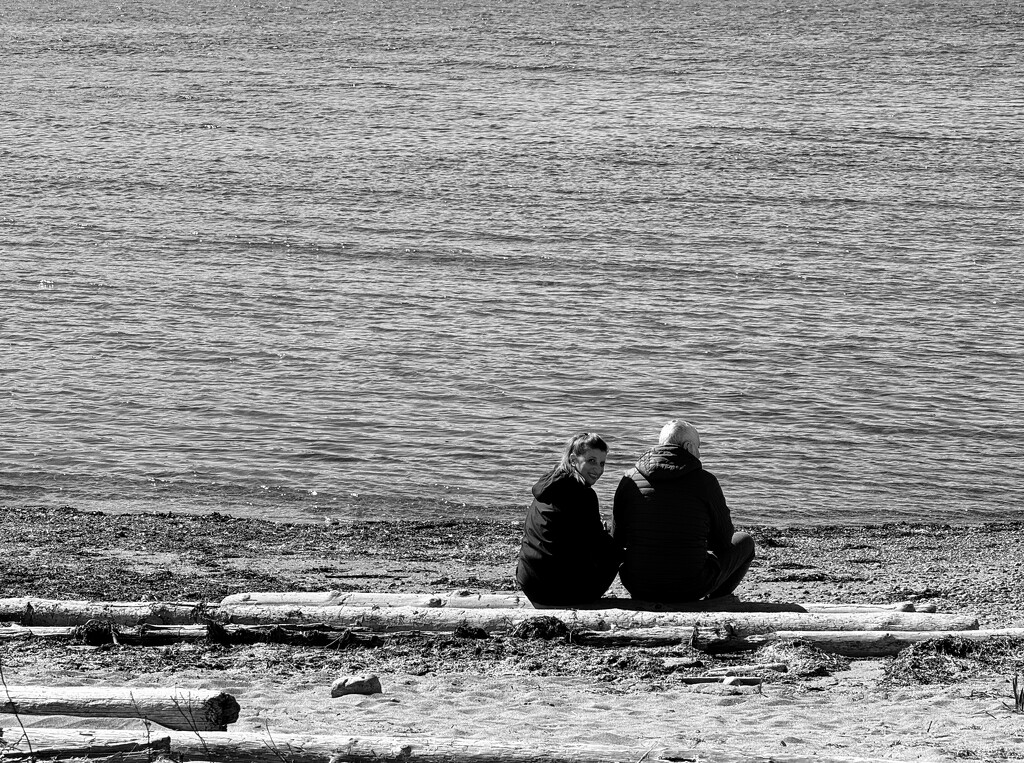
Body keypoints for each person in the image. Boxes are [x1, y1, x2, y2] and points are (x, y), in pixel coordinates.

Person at [612, 419, 754, 602]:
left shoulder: (629, 479)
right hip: (691, 587)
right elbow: (723, 540)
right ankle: (717, 599)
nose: (699, 453)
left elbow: (617, 538)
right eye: (698, 447)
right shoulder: (706, 482)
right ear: (688, 446)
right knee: (745, 541)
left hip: (638, 584)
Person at [516, 432, 623, 606]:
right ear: (573, 460)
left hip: (529, 582)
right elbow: (596, 544)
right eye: (591, 461)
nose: (598, 469)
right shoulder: (583, 494)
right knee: (614, 553)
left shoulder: (550, 483)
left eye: (602, 463)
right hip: (558, 591)